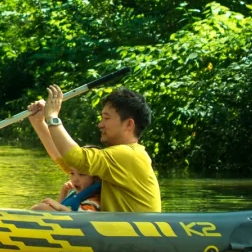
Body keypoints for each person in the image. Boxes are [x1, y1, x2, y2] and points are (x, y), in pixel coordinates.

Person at [28, 84, 161, 212]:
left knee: (41, 209)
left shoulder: (128, 155)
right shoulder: (119, 158)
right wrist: (39, 122)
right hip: (114, 225)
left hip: (130, 227)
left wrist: (52, 117)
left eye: (106, 118)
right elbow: (68, 161)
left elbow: (75, 157)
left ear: (128, 124)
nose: (100, 124)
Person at [32, 164, 102, 213]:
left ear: (96, 178)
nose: (75, 179)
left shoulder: (92, 202)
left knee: (41, 208)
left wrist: (61, 207)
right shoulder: (78, 193)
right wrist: (64, 192)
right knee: (40, 207)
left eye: (81, 174)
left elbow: (84, 220)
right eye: (72, 173)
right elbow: (60, 206)